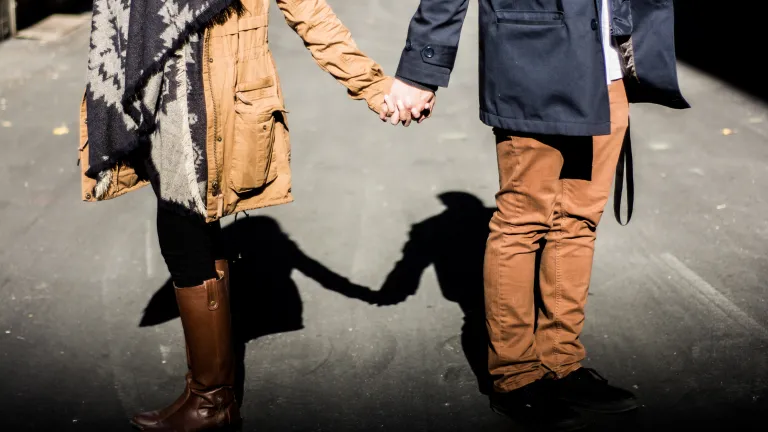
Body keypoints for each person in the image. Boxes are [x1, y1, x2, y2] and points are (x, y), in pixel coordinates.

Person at [80, 0, 390, 430]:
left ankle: (212, 401)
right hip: (158, 99)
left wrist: (372, 86)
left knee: (182, 232)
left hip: (210, 109)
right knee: (192, 233)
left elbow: (310, 11)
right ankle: (208, 393)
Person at [381, 0, 689, 430]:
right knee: (523, 221)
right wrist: (420, 69)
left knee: (578, 221)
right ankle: (515, 375)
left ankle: (561, 362)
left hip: (610, 66)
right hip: (533, 59)